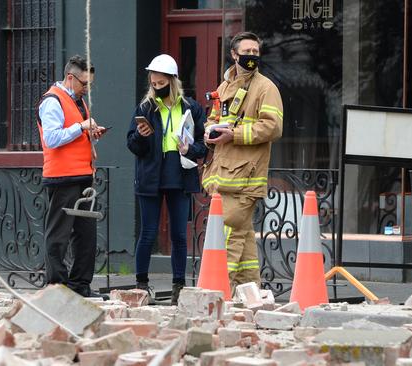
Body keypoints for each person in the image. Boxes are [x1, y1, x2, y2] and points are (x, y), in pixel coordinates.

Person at [202, 32, 283, 291]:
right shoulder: (224, 87)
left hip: (244, 181)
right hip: (224, 176)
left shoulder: (266, 88)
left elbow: (273, 127)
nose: (252, 56)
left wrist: (233, 135)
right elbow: (213, 119)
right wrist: (209, 132)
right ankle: (250, 297)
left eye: (255, 52)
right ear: (234, 55)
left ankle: (216, 294)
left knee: (227, 238)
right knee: (244, 241)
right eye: (246, 52)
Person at [126, 54, 208, 305]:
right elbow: (132, 145)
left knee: (179, 236)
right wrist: (140, 136)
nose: (156, 87)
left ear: (172, 82)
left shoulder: (191, 108)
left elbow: (204, 144)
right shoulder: (145, 108)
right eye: (153, 83)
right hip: (150, 175)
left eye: (161, 83)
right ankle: (141, 285)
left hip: (179, 173)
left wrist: (190, 150)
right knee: (148, 233)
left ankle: (178, 288)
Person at [37, 55, 109, 299]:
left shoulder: (77, 101)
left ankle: (80, 286)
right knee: (58, 234)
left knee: (85, 235)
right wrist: (81, 127)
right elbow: (52, 138)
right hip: (62, 177)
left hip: (83, 175)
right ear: (70, 78)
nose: (87, 89)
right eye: (84, 83)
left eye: (89, 84)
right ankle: (57, 287)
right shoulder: (52, 101)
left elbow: (74, 134)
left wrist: (91, 132)